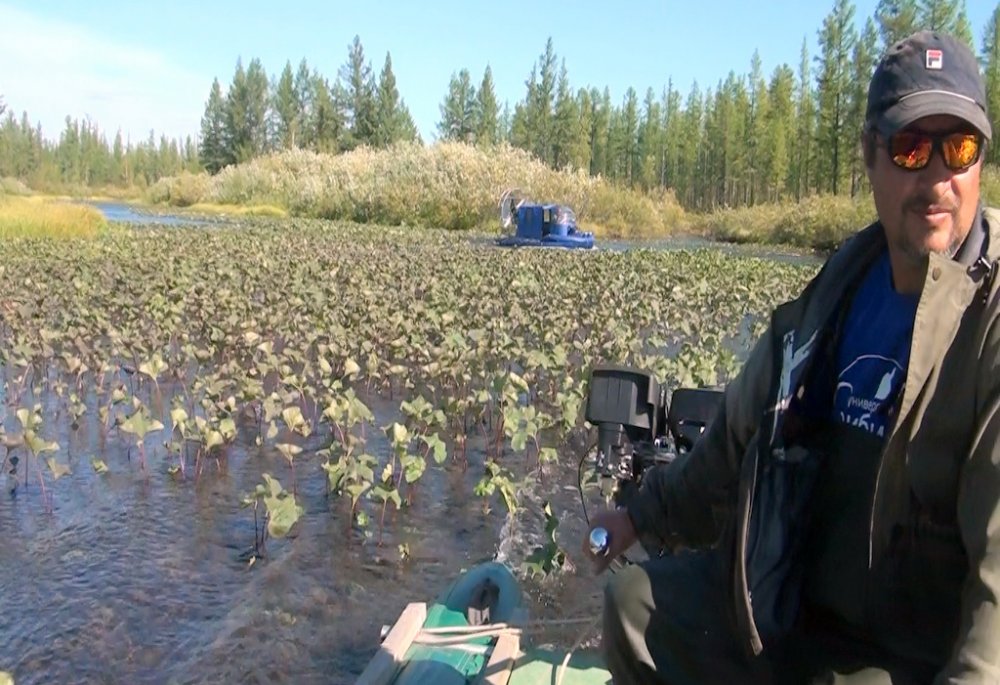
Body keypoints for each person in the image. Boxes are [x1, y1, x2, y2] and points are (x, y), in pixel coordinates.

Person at [583, 30, 997, 684]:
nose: (938, 176)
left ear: (980, 160)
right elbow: (730, 441)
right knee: (635, 607)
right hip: (792, 605)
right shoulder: (836, 290)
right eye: (912, 147)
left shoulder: (992, 317)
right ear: (870, 156)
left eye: (960, 148)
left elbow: (997, 587)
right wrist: (636, 516)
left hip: (906, 651)